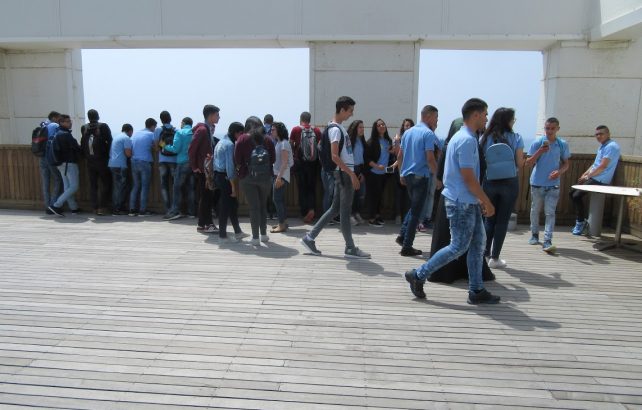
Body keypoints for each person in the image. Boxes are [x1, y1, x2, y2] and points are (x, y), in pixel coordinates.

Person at [404, 98, 500, 305]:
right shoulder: (466, 140)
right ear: (475, 115)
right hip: (461, 203)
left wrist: (479, 200)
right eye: (485, 114)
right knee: (458, 246)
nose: (487, 118)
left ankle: (476, 290)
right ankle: (418, 274)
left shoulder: (463, 137)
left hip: (467, 201)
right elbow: (468, 178)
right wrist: (487, 201)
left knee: (477, 245)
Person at [300, 96, 370, 259]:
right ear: (342, 109)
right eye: (350, 110)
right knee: (345, 212)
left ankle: (309, 238)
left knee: (335, 209)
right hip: (344, 174)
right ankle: (350, 248)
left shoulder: (336, 128)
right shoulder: (335, 130)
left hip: (342, 174)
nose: (352, 114)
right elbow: (334, 156)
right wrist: (352, 174)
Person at [479, 108, 524, 268]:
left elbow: (481, 161)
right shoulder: (516, 137)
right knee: (502, 221)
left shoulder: (485, 137)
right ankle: (495, 257)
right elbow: (520, 163)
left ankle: (483, 254)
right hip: (509, 182)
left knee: (489, 219)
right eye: (513, 119)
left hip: (490, 181)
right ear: (508, 121)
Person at [395, 105, 439, 256]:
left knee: (414, 207)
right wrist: (438, 177)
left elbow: (399, 156)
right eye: (436, 117)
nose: (437, 120)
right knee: (416, 212)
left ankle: (403, 236)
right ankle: (407, 246)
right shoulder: (428, 134)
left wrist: (401, 174)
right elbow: (430, 158)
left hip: (408, 175)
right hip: (421, 175)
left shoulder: (407, 133)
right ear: (428, 116)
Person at [525, 117, 571, 253]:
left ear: (558, 129)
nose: (549, 131)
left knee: (550, 213)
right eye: (547, 128)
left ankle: (547, 240)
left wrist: (559, 172)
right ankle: (534, 234)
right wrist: (540, 151)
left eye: (552, 128)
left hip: (553, 184)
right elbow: (528, 163)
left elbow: (566, 164)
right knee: (535, 211)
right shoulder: (537, 143)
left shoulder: (562, 144)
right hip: (537, 183)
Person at [570, 125, 621, 235]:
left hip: (601, 179)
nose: (598, 136)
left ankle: (580, 222)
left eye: (601, 134)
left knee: (576, 195)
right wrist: (585, 174)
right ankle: (581, 221)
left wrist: (587, 177)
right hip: (595, 177)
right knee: (572, 193)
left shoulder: (611, 146)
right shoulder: (603, 146)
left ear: (608, 134)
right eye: (596, 134)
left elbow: (602, 166)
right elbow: (595, 164)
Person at [234, 116, 276, 245]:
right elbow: (273, 159)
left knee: (254, 207)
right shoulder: (268, 139)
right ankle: (263, 235)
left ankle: (255, 238)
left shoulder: (242, 139)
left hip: (248, 177)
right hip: (266, 178)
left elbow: (237, 160)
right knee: (262, 205)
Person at [214, 121, 247, 243]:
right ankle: (222, 236)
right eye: (241, 133)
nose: (242, 136)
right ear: (236, 133)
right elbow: (229, 168)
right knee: (225, 207)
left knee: (233, 205)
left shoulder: (220, 142)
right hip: (226, 178)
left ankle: (238, 232)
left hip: (218, 175)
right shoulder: (229, 145)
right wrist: (233, 186)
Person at [189, 105, 220, 233]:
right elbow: (192, 148)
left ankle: (202, 224)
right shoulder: (202, 130)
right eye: (217, 115)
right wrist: (194, 167)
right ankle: (208, 224)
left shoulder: (206, 129)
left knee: (206, 196)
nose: (219, 117)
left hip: (205, 169)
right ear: (211, 115)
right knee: (207, 197)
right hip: (204, 170)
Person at [290, 112, 322, 224]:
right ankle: (312, 209)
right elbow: (320, 146)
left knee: (302, 188)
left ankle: (304, 213)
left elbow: (290, 144)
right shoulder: (316, 130)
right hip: (313, 163)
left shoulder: (295, 129)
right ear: (309, 119)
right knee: (311, 188)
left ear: (301, 119)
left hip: (300, 162)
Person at [47, 115, 81, 217]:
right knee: (74, 186)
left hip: (60, 164)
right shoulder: (66, 135)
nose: (70, 123)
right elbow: (76, 148)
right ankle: (56, 206)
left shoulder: (57, 133)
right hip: (69, 163)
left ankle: (74, 208)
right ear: (61, 123)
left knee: (67, 187)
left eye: (70, 121)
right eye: (67, 121)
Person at [80, 109, 112, 215]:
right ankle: (103, 207)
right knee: (106, 183)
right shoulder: (103, 126)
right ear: (98, 116)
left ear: (88, 117)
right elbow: (110, 141)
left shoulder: (84, 128)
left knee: (93, 185)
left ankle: (94, 207)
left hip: (90, 161)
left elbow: (82, 143)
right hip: (102, 160)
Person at [161, 117, 193, 220]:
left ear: (183, 123)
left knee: (177, 188)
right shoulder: (194, 132)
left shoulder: (180, 132)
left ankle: (175, 211)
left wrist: (164, 145)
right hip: (193, 163)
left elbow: (175, 149)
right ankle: (192, 212)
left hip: (182, 162)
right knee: (191, 187)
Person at [365, 119, 393, 227]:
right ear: (375, 128)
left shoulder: (388, 141)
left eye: (383, 124)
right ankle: (371, 219)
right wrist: (377, 166)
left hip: (384, 174)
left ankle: (377, 215)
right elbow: (367, 158)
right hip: (373, 173)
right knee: (373, 196)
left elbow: (391, 155)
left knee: (380, 196)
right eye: (379, 125)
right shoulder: (372, 141)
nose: (382, 126)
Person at [129, 118, 158, 217]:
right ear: (152, 126)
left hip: (133, 161)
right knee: (144, 187)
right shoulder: (151, 134)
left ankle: (132, 209)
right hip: (144, 162)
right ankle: (142, 210)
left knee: (136, 186)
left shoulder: (136, 133)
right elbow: (157, 147)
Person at [271, 122, 294, 233]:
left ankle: (281, 225)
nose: (271, 131)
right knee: (279, 199)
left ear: (279, 131)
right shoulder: (280, 143)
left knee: (277, 199)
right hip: (280, 175)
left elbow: (285, 163)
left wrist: (279, 178)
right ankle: (283, 222)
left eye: (273, 130)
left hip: (281, 176)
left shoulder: (284, 144)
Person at [39, 111, 63, 214]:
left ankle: (47, 205)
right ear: (53, 118)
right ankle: (53, 206)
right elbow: (59, 138)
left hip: (41, 156)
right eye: (58, 118)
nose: (60, 120)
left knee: (46, 182)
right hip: (50, 157)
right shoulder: (55, 125)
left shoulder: (42, 125)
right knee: (58, 180)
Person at [392, 119, 414, 225]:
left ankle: (406, 216)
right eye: (406, 125)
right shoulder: (398, 138)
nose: (408, 127)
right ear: (403, 127)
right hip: (399, 169)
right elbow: (397, 154)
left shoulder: (414, 139)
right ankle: (398, 215)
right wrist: (397, 142)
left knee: (408, 195)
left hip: (410, 169)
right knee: (398, 193)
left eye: (410, 125)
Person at [155, 111, 177, 215]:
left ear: (161, 120)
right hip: (174, 160)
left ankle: (167, 209)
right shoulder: (175, 130)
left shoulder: (158, 129)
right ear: (170, 118)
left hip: (162, 160)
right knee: (174, 185)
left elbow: (157, 145)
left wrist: (162, 148)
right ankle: (174, 208)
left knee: (164, 185)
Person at [108, 123, 133, 215]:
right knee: (121, 187)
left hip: (112, 164)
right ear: (130, 131)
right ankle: (118, 208)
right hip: (120, 165)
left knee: (116, 187)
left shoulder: (116, 137)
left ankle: (115, 207)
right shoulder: (126, 138)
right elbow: (128, 154)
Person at [347, 120, 367, 225]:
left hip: (360, 169)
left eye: (363, 127)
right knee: (351, 194)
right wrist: (352, 173)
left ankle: (356, 213)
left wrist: (362, 172)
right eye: (360, 127)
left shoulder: (362, 141)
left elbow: (364, 158)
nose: (362, 129)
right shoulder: (349, 141)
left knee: (361, 194)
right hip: (351, 169)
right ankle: (349, 215)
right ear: (355, 128)